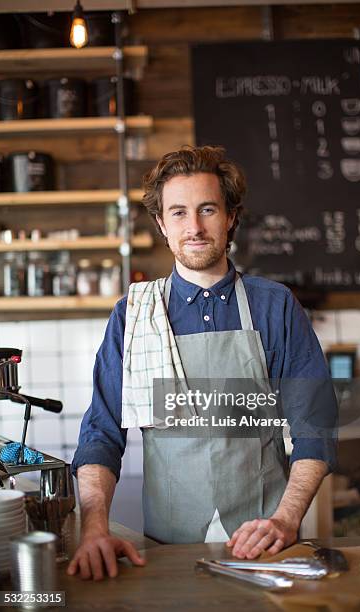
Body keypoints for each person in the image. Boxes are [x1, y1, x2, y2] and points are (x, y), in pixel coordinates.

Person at [68, 145, 337, 581]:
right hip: (165, 551)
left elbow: (316, 426)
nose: (193, 227)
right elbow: (101, 433)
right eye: (178, 213)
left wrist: (286, 520)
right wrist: (93, 527)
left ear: (231, 216)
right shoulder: (134, 316)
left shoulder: (275, 306)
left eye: (207, 209)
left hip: (265, 543)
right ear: (161, 224)